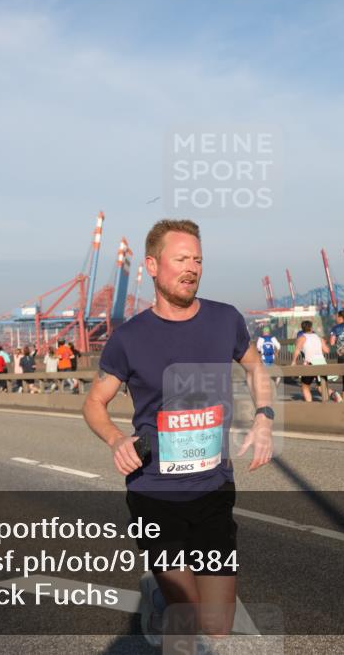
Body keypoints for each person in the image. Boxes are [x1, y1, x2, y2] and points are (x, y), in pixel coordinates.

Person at [82, 219, 273, 644]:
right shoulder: (128, 339)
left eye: (198, 260)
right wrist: (116, 439)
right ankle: (168, 602)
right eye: (181, 259)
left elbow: (254, 366)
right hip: (155, 492)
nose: (192, 268)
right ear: (152, 266)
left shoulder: (225, 319)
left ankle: (163, 599)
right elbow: (94, 403)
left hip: (213, 487)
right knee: (186, 618)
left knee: (217, 626)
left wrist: (264, 417)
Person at [292, 320, 331, 403]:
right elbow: (327, 350)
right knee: (321, 386)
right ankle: (333, 394)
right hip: (321, 362)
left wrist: (294, 361)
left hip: (310, 362)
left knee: (305, 386)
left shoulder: (302, 338)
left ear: (302, 328)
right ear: (311, 327)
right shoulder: (319, 338)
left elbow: (297, 350)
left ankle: (309, 404)